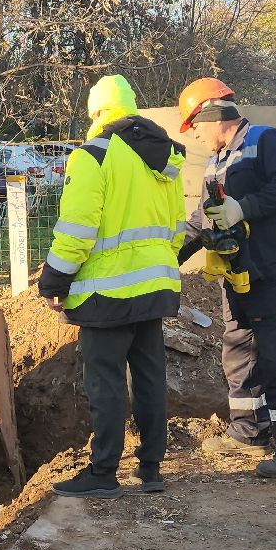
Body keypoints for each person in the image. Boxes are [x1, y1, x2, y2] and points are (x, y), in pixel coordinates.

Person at [39, 74, 187, 499]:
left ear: (99, 113)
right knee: (149, 377)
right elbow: (177, 228)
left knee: (104, 382)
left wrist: (54, 279)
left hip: (106, 294)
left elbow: (77, 229)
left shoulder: (93, 156)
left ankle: (103, 472)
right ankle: (151, 467)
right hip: (155, 287)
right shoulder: (164, 158)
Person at [175, 77, 276, 480]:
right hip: (236, 275)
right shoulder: (216, 162)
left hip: (273, 270)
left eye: (194, 126)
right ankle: (248, 432)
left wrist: (245, 207)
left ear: (214, 115)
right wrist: (168, 255)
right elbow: (202, 219)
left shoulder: (267, 141)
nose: (195, 135)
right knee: (238, 352)